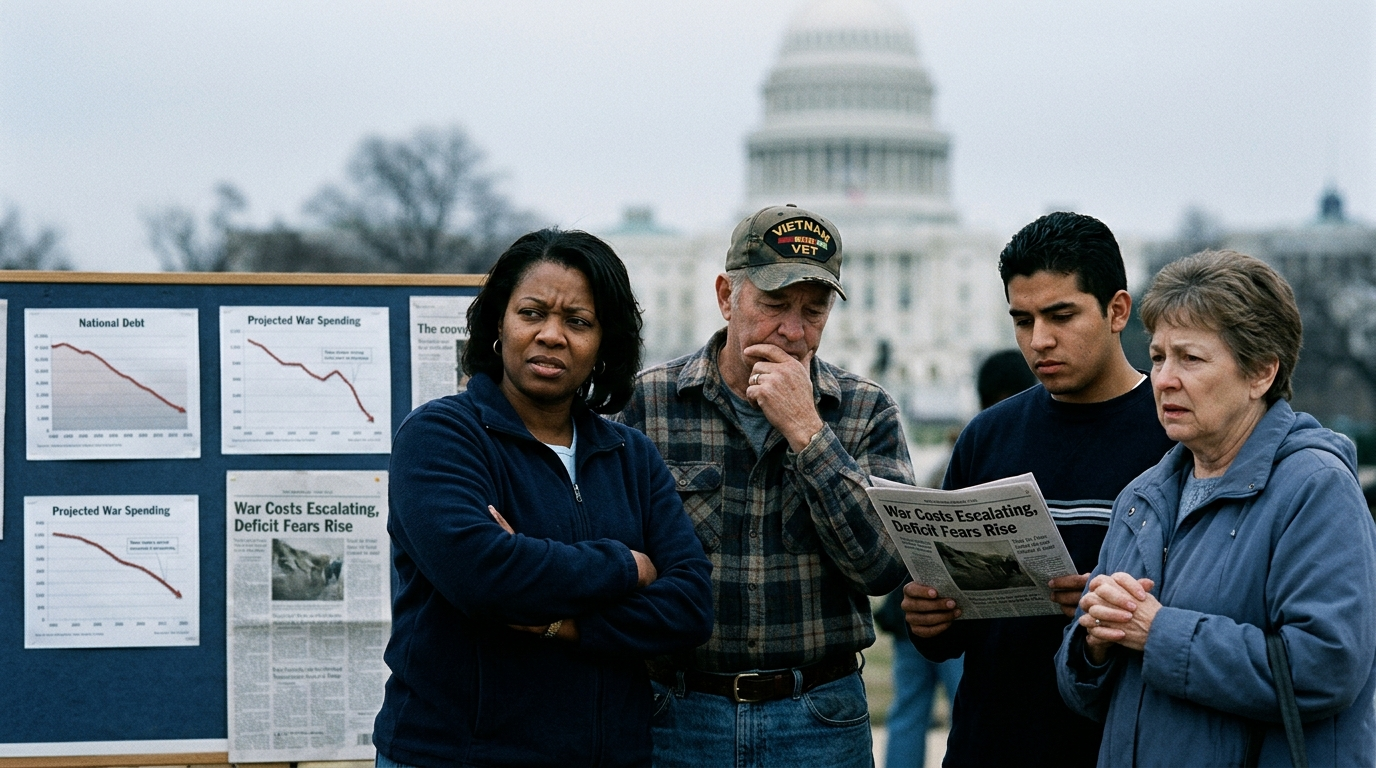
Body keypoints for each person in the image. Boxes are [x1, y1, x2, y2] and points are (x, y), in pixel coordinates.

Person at [373, 228, 714, 767]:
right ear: (498, 325)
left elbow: (691, 606)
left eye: (578, 321)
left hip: (608, 755)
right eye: (532, 313)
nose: (552, 335)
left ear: (605, 343)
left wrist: (563, 623)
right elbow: (484, 576)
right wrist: (627, 565)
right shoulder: (441, 437)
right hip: (458, 755)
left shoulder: (631, 454)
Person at [617, 204, 913, 768]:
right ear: (727, 296)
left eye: (814, 310)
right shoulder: (646, 405)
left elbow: (883, 568)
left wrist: (809, 433)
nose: (794, 331)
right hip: (677, 711)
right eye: (774, 304)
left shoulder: (865, 411)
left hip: (817, 716)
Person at [1057, 250, 1376, 766]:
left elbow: (1326, 668)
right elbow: (1086, 695)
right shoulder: (1140, 498)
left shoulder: (1316, 490)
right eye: (1158, 357)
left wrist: (1156, 631)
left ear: (1261, 373)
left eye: (1191, 358)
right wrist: (1093, 639)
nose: (1163, 379)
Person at [901, 212, 1175, 767]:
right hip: (991, 742)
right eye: (1022, 320)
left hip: (1117, 745)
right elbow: (951, 636)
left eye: (1061, 315)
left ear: (1117, 310)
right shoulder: (988, 435)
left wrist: (1114, 607)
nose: (1039, 341)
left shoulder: (1174, 433)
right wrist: (929, 620)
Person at [877, 350, 1035, 768]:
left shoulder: (954, 452)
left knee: (907, 711)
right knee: (963, 703)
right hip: (951, 609)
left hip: (910, 607)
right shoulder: (993, 450)